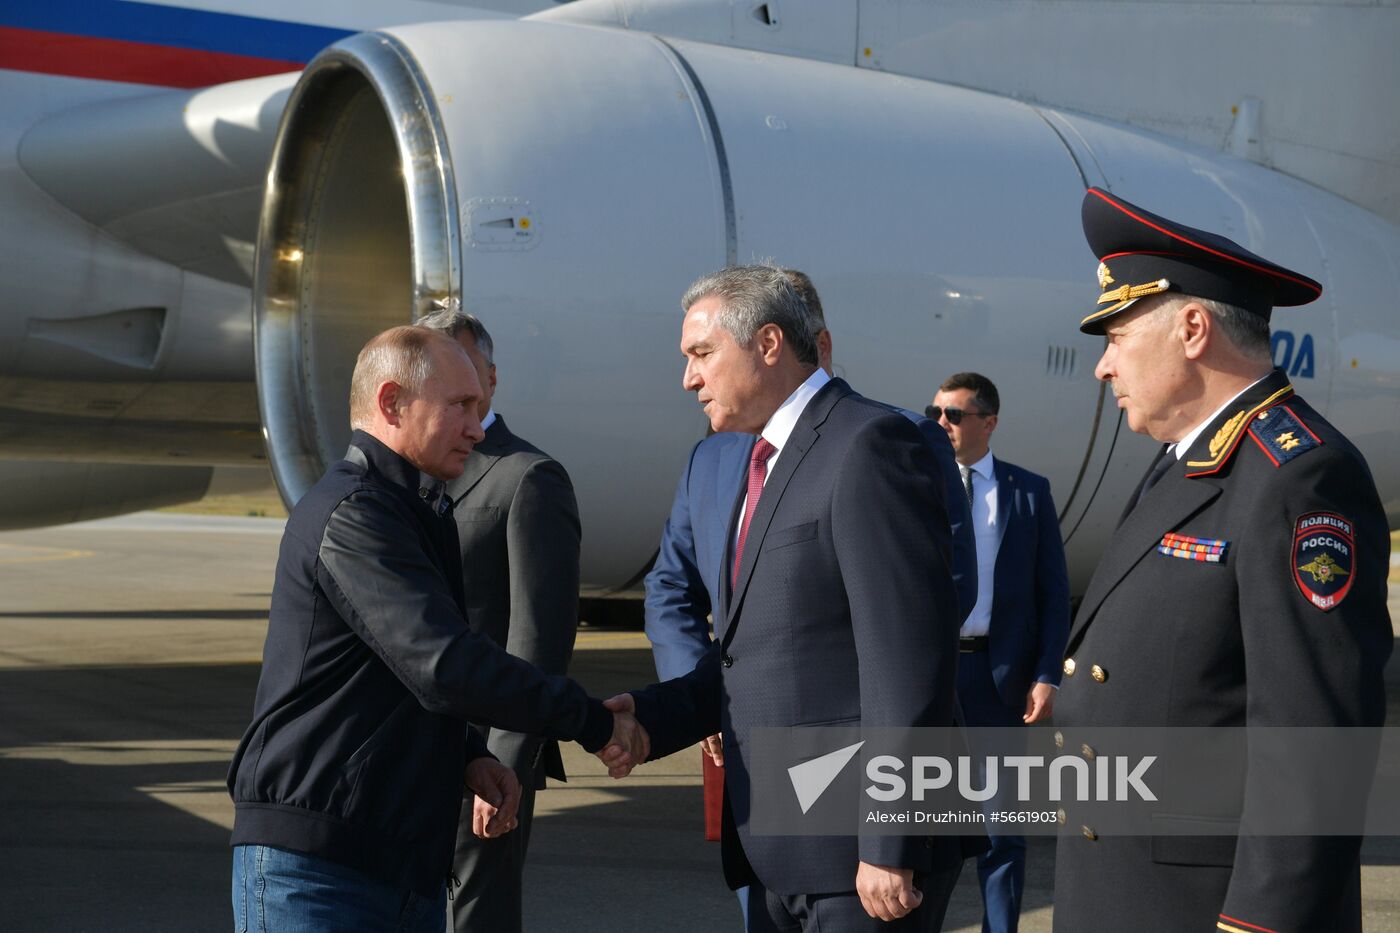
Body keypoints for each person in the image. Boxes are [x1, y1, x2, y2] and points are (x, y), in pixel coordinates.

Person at [227, 324, 646, 933]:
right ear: (392, 402)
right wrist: (594, 721)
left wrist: (470, 757)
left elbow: (396, 676)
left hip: (396, 864)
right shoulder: (355, 516)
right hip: (318, 872)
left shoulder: (413, 512)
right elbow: (443, 665)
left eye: (479, 407)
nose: (478, 428)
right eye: (460, 407)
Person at [1053, 188, 1391, 931]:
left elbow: (1310, 736)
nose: (1103, 367)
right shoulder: (1186, 464)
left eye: (1116, 336)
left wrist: (1260, 921)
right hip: (1123, 889)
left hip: (1205, 910)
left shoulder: (1298, 474)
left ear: (1194, 328)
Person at [619, 264, 965, 931]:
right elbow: (761, 651)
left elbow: (906, 661)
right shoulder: (760, 458)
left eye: (701, 354)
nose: (689, 378)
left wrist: (889, 841)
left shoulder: (869, 443)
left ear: (769, 343)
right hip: (778, 843)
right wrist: (647, 717)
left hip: (857, 859)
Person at [417, 309, 582, 933]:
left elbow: (538, 639)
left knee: (472, 920)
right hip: (412, 752)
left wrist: (507, 763)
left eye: (462, 371)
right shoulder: (411, 475)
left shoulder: (527, 477)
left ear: (490, 376)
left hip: (486, 758)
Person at [928, 371, 1070, 933]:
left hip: (998, 678)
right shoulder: (917, 484)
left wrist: (1046, 673)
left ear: (988, 422)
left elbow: (1052, 593)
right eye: (935, 412)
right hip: (933, 676)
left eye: (954, 415)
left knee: (1001, 828)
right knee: (920, 820)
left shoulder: (1027, 492)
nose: (941, 424)